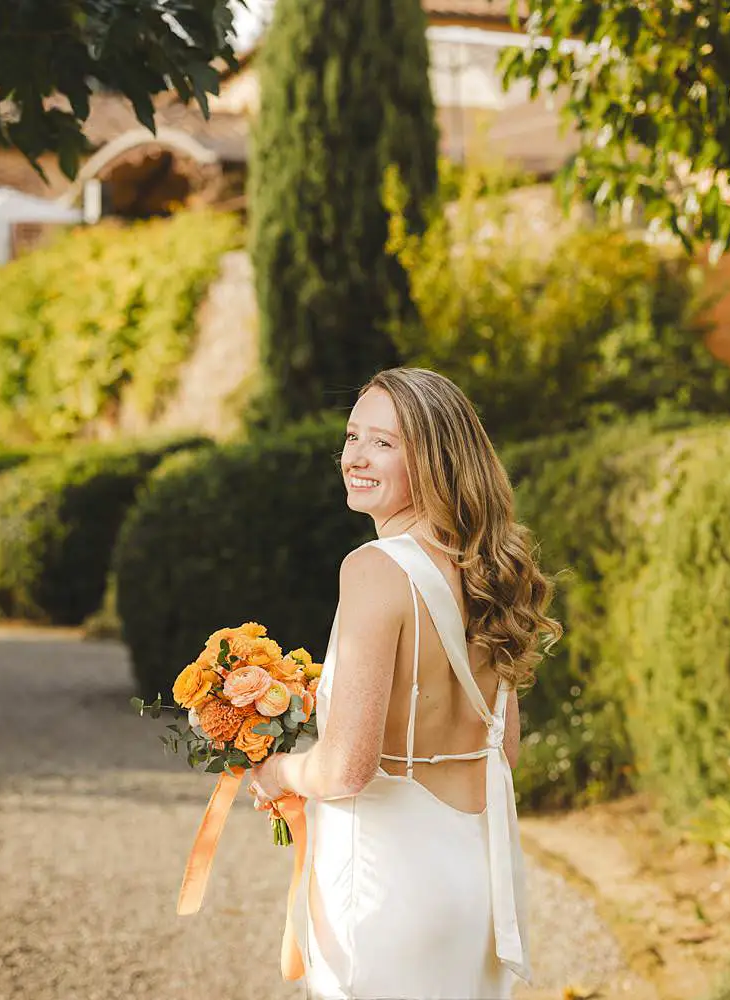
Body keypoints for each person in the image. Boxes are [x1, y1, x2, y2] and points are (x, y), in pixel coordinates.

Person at [249, 367, 562, 999]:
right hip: (474, 888)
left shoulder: (374, 569)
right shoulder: (487, 574)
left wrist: (276, 771)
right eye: (352, 435)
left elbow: (345, 770)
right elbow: (503, 751)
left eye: (383, 443)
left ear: (436, 461)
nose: (355, 457)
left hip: (386, 890)